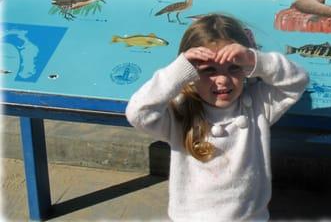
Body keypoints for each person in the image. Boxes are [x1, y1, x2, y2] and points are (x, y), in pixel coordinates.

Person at [126, 13, 309, 221]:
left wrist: (254, 59)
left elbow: (298, 81)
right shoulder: (180, 111)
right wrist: (180, 69)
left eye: (234, 68)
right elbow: (137, 113)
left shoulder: (258, 104)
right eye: (209, 70)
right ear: (190, 72)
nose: (222, 79)